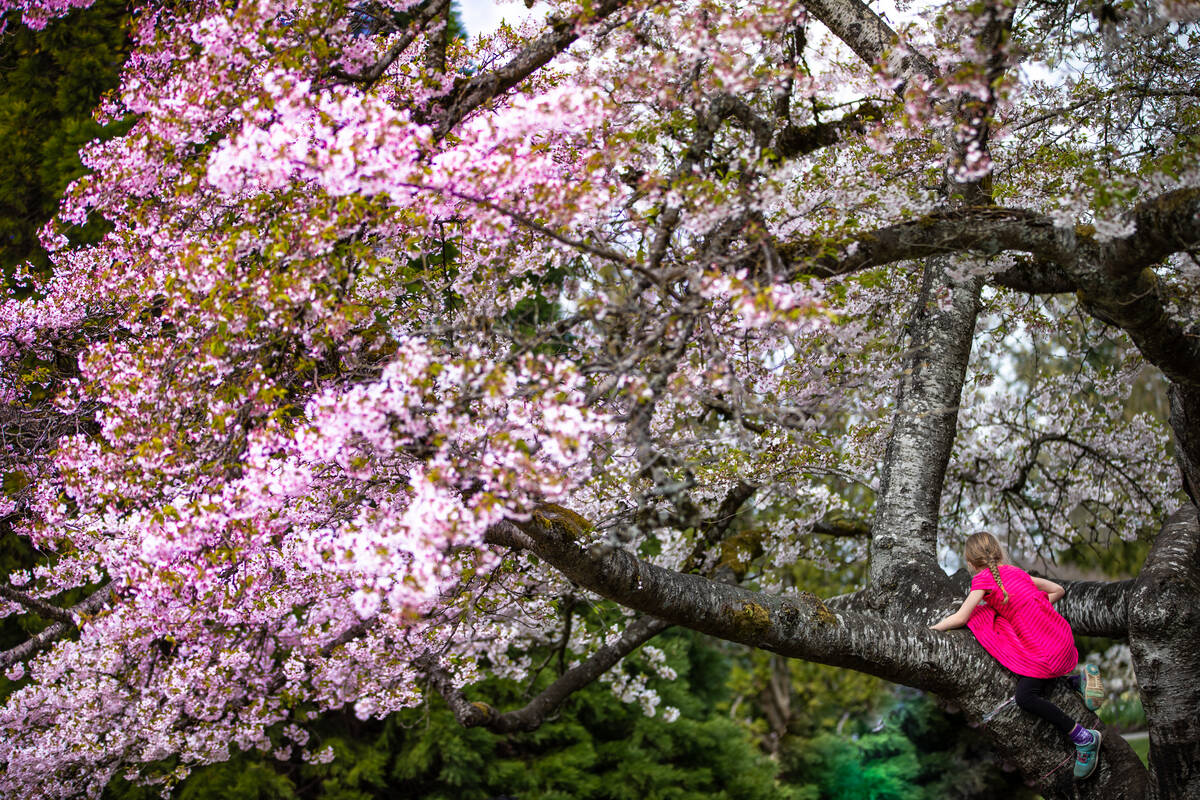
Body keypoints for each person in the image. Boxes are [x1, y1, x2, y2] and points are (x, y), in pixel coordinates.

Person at [930, 532, 1106, 780]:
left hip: (1044, 650)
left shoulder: (982, 580)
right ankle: (1077, 681)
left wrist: (931, 631)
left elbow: (961, 617)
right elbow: (1058, 590)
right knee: (1034, 672)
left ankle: (1084, 738)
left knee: (1026, 697)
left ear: (970, 562)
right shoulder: (1017, 572)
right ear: (998, 552)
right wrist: (1029, 609)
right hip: (1058, 637)